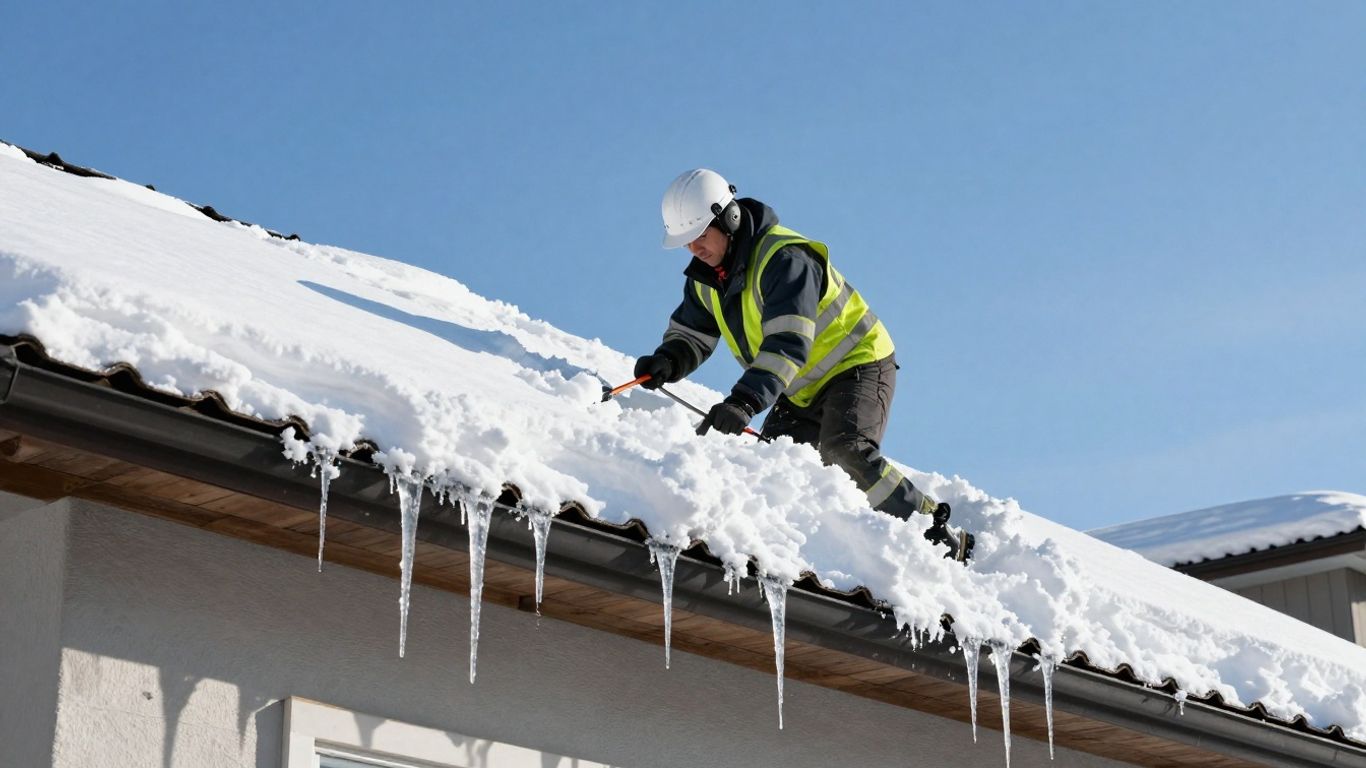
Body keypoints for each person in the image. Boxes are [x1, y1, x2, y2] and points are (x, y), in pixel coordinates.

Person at [635, 168, 969, 557]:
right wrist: (667, 361)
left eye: (699, 235)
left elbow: (786, 343)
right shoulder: (706, 280)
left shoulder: (785, 259)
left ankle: (936, 535)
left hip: (857, 363)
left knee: (845, 448)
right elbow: (692, 335)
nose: (693, 248)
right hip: (799, 385)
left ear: (729, 219)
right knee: (779, 469)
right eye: (685, 242)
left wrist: (743, 402)